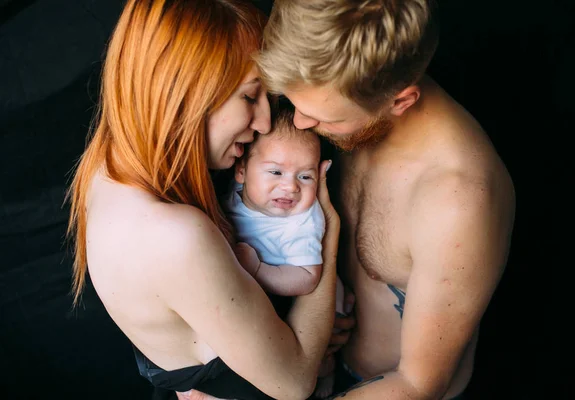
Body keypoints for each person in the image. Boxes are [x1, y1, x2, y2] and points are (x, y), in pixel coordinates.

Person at [66, 1, 339, 399]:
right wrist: (326, 237)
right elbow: (294, 381)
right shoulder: (176, 236)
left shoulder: (107, 169)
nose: (266, 121)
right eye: (250, 96)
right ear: (184, 92)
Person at [257, 0, 516, 399]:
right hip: (313, 361)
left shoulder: (458, 199)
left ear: (400, 101)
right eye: (296, 104)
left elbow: (418, 383)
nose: (303, 124)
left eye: (327, 119)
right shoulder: (342, 104)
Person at [223, 105, 346, 399]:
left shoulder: (302, 222)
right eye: (276, 171)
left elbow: (307, 278)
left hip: (305, 297)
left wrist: (257, 270)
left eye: (305, 177)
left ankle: (326, 368)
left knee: (324, 348)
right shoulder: (233, 196)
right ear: (241, 171)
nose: (290, 186)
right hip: (267, 303)